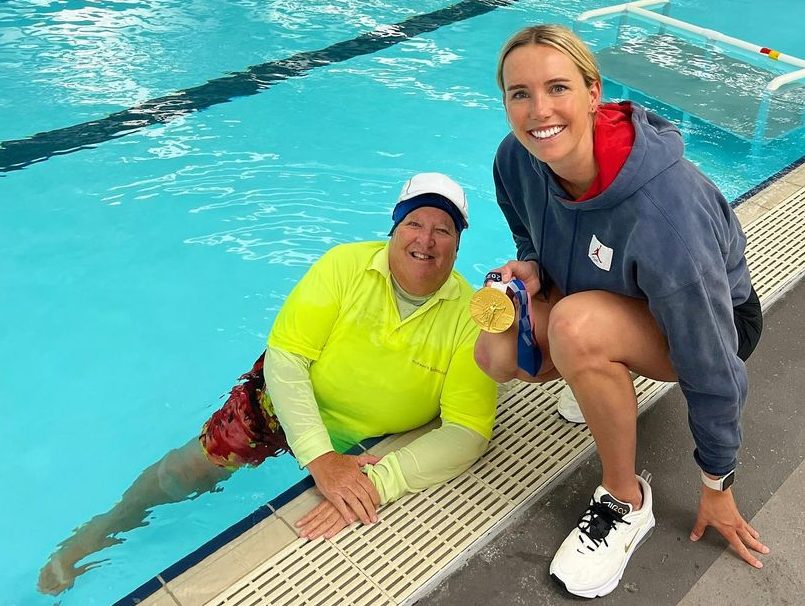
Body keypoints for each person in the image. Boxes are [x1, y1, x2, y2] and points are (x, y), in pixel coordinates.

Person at [38, 172, 497, 596]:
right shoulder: (344, 266)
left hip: (367, 445)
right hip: (282, 403)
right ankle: (106, 526)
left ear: (458, 245)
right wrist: (320, 458)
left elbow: (466, 431)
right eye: (415, 223)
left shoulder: (469, 319)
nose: (426, 240)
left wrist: (379, 482)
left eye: (444, 230)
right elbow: (286, 358)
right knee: (191, 470)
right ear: (394, 229)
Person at [472, 24, 766, 599]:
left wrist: (717, 482)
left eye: (557, 88)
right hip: (603, 293)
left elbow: (713, 364)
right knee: (496, 348)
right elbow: (519, 214)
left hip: (718, 323)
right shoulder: (516, 157)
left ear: (593, 91)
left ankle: (625, 500)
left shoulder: (665, 211)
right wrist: (532, 262)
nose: (538, 111)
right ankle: (600, 374)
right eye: (520, 94)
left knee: (577, 326)